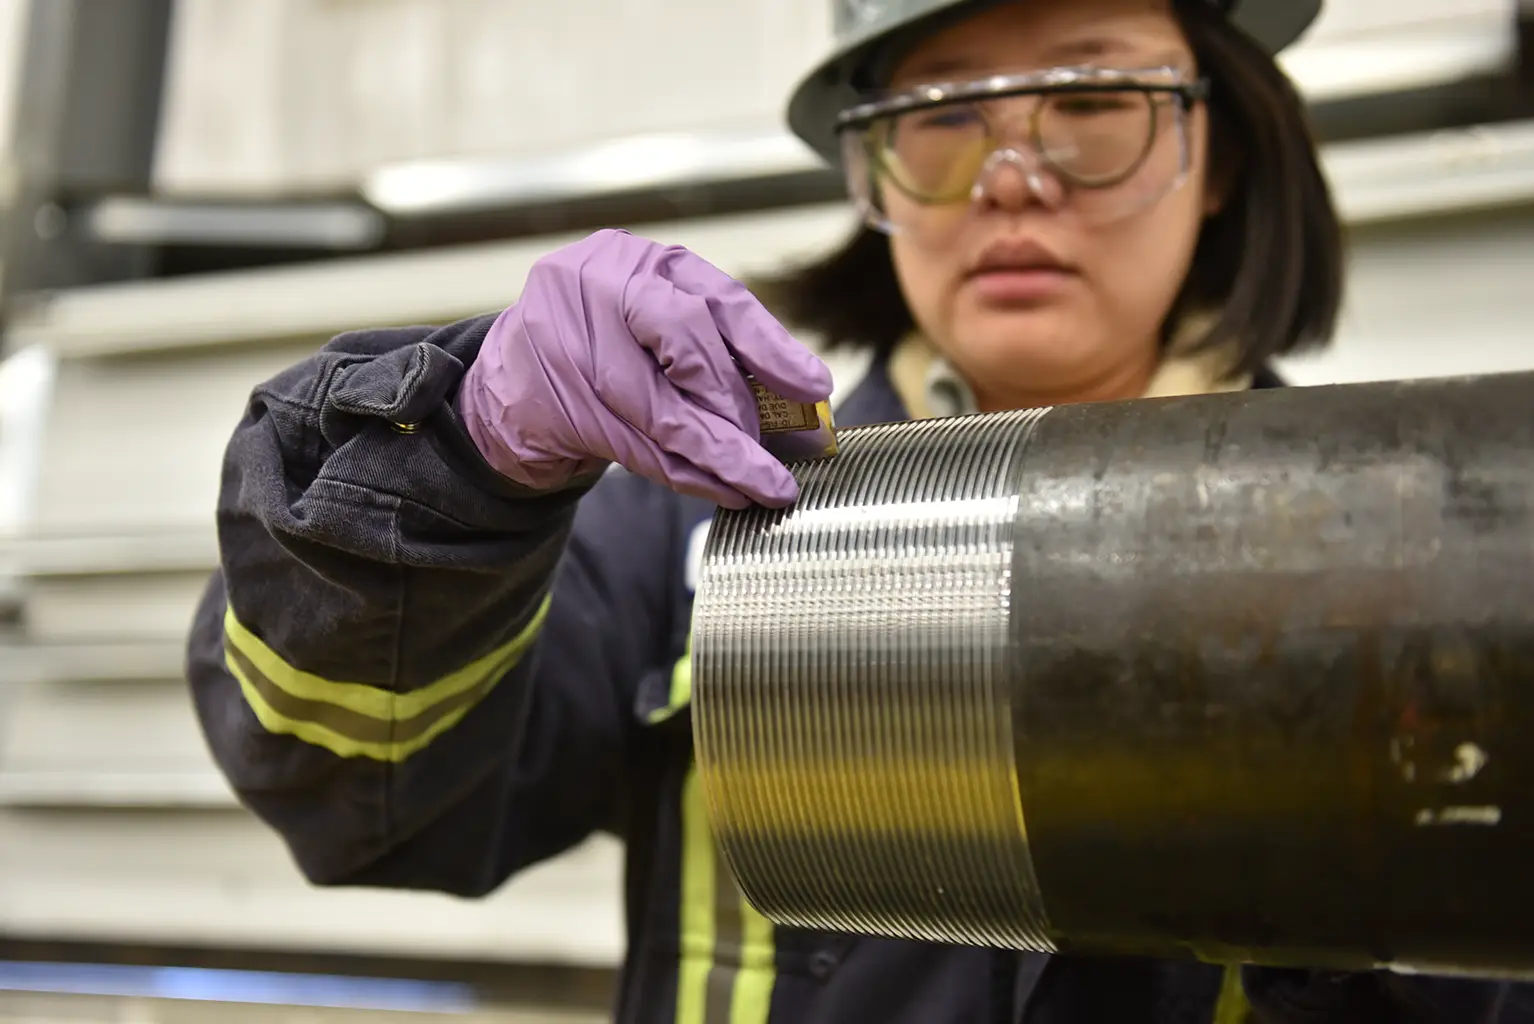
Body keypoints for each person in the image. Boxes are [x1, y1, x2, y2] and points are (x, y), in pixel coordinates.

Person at [184, 0, 1530, 1020]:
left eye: (1092, 99)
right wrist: (460, 466)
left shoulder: (1412, 548)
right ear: (869, 176)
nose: (1011, 176)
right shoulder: (696, 521)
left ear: (1218, 148)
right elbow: (356, 797)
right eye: (941, 116)